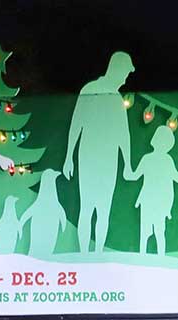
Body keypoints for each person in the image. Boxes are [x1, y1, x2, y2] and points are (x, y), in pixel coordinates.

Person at [64, 51, 135, 253]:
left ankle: (97, 254)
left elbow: (124, 135)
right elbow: (76, 123)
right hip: (88, 157)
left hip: (108, 161)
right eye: (125, 73)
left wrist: (127, 164)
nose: (125, 78)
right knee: (87, 207)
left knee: (103, 210)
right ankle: (85, 254)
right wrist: (69, 156)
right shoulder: (90, 90)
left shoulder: (116, 98)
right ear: (117, 69)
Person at [125, 127, 178, 256]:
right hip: (152, 202)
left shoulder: (157, 159)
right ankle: (154, 257)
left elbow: (132, 175)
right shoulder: (162, 160)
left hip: (154, 203)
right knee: (154, 232)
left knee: (151, 233)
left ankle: (147, 257)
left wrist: (127, 167)